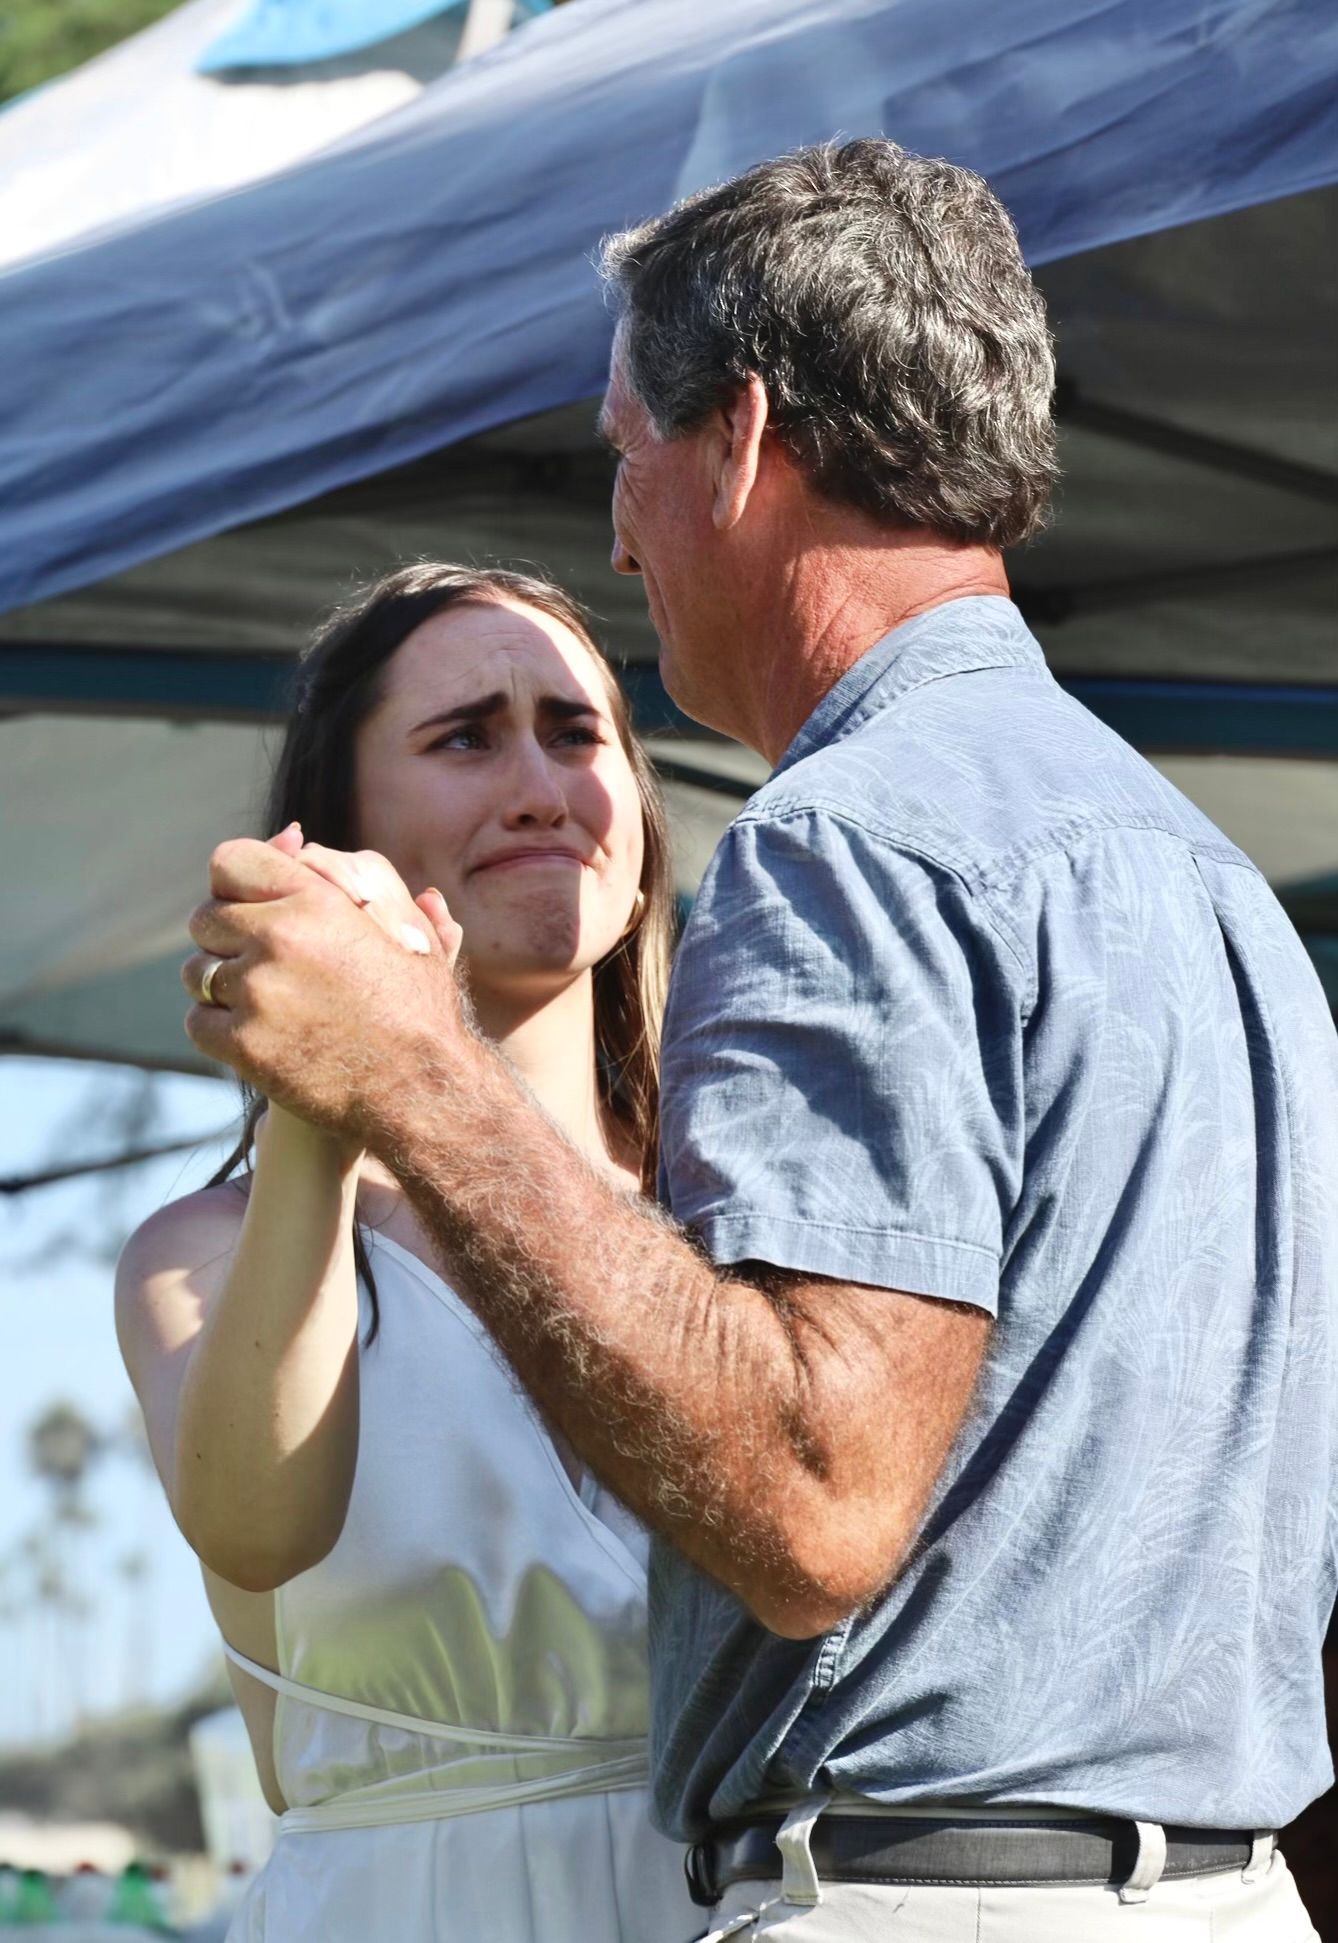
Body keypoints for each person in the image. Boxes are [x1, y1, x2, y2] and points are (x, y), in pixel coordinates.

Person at [177, 141, 1336, 1941]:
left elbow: (813, 1508)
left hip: (932, 1899)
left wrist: (405, 1071)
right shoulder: (1205, 884)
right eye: (467, 736)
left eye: (623, 455)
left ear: (737, 438)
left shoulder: (849, 834)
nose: (622, 532)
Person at [116, 565, 699, 1942]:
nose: (540, 788)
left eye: (575, 732)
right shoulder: (204, 1248)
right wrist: (327, 1098)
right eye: (464, 737)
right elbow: (259, 1530)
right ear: (340, 826)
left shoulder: (759, 1208)